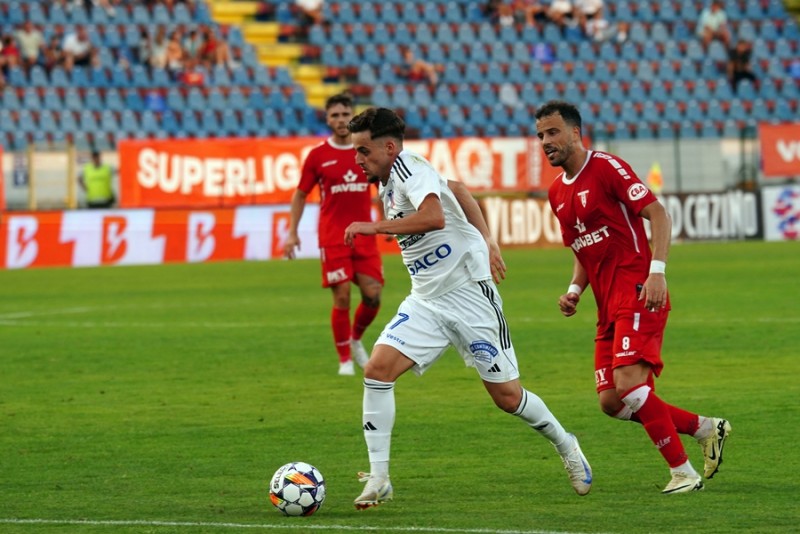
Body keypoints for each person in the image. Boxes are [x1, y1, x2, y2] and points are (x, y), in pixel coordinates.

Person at [344, 107, 593, 509]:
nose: (357, 159)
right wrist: (488, 238)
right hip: (426, 300)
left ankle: (566, 444)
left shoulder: (408, 166)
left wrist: (375, 227)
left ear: (389, 147)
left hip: (469, 295)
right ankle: (380, 477)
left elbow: (434, 217)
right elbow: (457, 189)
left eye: (363, 151)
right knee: (377, 370)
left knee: (508, 398)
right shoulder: (391, 180)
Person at [535, 100, 732, 494]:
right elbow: (582, 248)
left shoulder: (607, 167)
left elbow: (659, 214)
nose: (546, 141)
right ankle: (705, 428)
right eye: (540, 135)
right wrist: (574, 290)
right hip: (606, 306)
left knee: (629, 384)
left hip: (639, 291)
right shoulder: (557, 192)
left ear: (575, 133)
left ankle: (683, 473)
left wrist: (657, 272)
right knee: (612, 401)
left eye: (553, 132)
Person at [285, 94, 384, 377]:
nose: (341, 120)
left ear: (353, 116)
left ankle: (354, 338)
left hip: (364, 234)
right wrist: (292, 233)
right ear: (327, 120)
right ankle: (345, 361)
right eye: (335, 115)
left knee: (373, 296)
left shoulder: (366, 151)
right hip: (333, 237)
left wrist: (386, 220)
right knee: (342, 297)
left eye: (345, 114)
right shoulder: (318, 156)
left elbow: (382, 187)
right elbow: (300, 194)